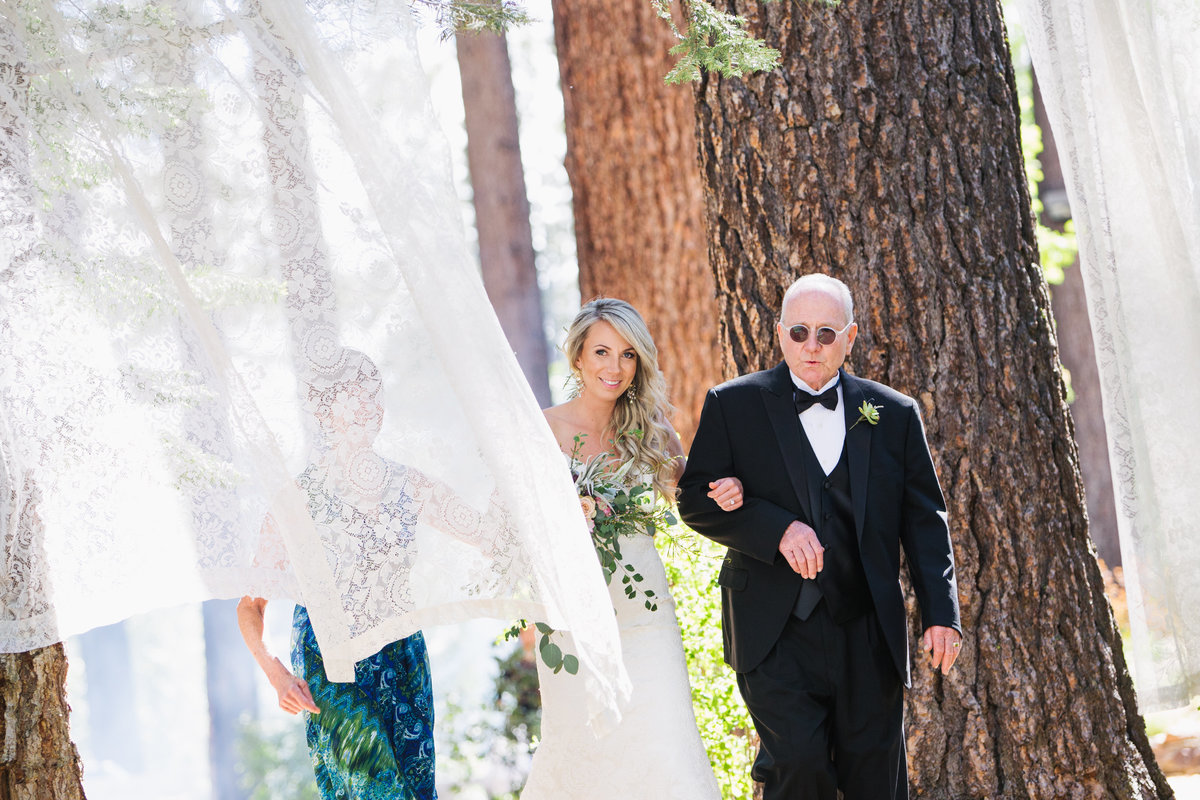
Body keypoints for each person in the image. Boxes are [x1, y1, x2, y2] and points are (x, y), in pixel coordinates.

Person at [677, 274, 963, 800]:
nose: (812, 345)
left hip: (867, 629)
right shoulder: (733, 405)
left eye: (827, 334)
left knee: (876, 776)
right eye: (800, 331)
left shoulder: (894, 414)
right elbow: (694, 498)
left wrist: (941, 614)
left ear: (850, 339)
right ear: (781, 333)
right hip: (774, 629)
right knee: (797, 768)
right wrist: (775, 527)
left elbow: (925, 520)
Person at [238, 348, 514, 800]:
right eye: (354, 398)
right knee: (378, 790)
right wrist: (276, 674)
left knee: (415, 788)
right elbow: (251, 604)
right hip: (332, 665)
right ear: (325, 413)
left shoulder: (408, 483)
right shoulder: (296, 498)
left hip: (403, 657)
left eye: (374, 398)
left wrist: (520, 474)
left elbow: (489, 536)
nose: (369, 409)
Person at [521, 298, 738, 800]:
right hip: (572, 621)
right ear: (577, 358)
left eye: (627, 354)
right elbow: (510, 523)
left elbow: (698, 496)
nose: (613, 367)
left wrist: (730, 488)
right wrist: (561, 517)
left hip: (646, 616)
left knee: (664, 747)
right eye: (601, 351)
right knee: (585, 752)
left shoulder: (654, 431)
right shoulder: (542, 430)